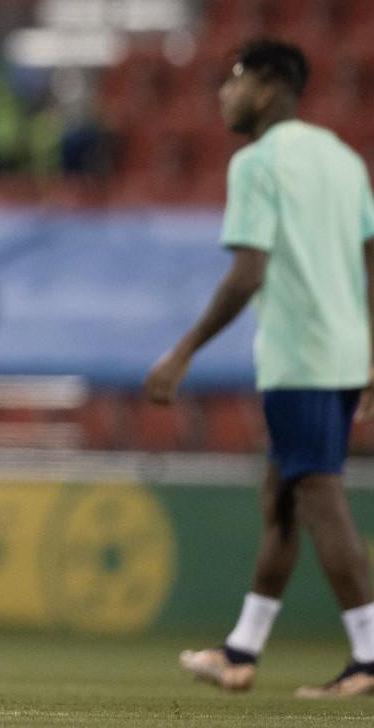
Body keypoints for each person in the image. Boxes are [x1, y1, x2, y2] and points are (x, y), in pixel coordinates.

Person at [146, 39, 374, 698]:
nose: (224, 93)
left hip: (299, 356)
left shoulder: (256, 163)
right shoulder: (342, 158)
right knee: (280, 500)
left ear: (269, 86)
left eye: (234, 79)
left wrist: (182, 352)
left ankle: (367, 655)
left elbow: (249, 272)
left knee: (319, 499)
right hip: (342, 352)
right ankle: (241, 651)